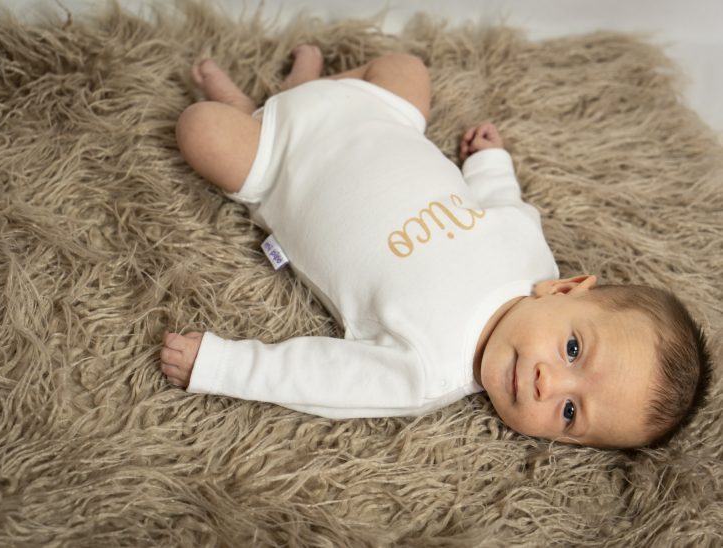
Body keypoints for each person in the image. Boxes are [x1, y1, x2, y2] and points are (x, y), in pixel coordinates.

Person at [159, 46, 711, 449]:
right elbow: (504, 204)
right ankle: (303, 90)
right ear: (566, 289)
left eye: (569, 412)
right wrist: (489, 162)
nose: (548, 383)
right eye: (572, 350)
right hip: (376, 118)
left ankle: (270, 104)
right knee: (407, 70)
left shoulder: (427, 371)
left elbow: (318, 374)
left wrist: (222, 366)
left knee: (201, 130)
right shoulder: (533, 263)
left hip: (280, 163)